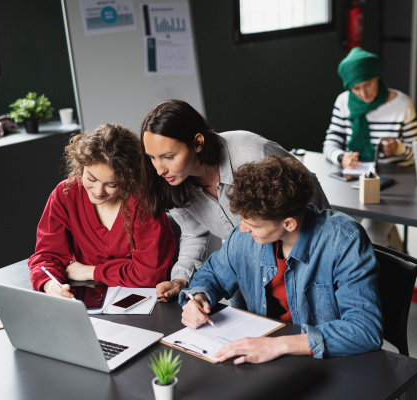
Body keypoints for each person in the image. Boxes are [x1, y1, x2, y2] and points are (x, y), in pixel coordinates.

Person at [180, 155, 383, 363]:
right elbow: (212, 275)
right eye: (242, 219)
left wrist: (278, 345)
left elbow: (364, 329)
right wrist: (199, 298)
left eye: (254, 225)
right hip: (262, 351)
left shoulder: (344, 240)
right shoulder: (243, 236)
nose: (242, 228)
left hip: (323, 359)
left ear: (289, 224)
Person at [140, 100, 330, 302]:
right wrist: (180, 280)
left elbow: (309, 200)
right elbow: (194, 233)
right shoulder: (170, 183)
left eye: (168, 156)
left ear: (197, 143)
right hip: (244, 266)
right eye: (152, 157)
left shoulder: (254, 153)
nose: (159, 169)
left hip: (302, 255)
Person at [28, 124, 177, 298]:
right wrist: (50, 284)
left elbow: (149, 274)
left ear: (129, 178)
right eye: (91, 178)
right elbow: (47, 256)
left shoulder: (142, 202)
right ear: (81, 166)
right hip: (88, 297)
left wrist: (91, 272)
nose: (98, 192)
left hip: (144, 298)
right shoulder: (65, 194)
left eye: (112, 184)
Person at [323, 47, 417, 250]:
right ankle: (396, 250)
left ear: (377, 77)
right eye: (356, 88)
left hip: (394, 185)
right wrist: (342, 157)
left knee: (370, 235)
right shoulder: (344, 102)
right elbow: (330, 142)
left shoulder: (402, 104)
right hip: (353, 183)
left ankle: (385, 278)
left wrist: (399, 149)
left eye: (367, 85)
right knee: (340, 229)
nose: (363, 93)